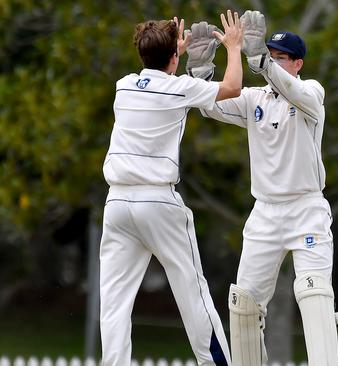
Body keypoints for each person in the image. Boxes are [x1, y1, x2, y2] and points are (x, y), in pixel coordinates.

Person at [186, 10, 338, 366]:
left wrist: (259, 62)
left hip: (307, 210)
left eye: (279, 58)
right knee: (244, 304)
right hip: (265, 214)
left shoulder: (310, 93)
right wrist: (199, 73)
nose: (271, 62)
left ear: (298, 64)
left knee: (315, 295)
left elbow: (301, 95)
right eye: (268, 55)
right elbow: (213, 107)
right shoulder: (256, 99)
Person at [99, 11, 243, 366]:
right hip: (157, 200)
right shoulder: (177, 87)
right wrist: (235, 48)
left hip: (116, 202)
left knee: (114, 304)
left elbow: (156, 72)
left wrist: (170, 52)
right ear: (174, 58)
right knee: (193, 293)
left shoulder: (123, 85)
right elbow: (232, 89)